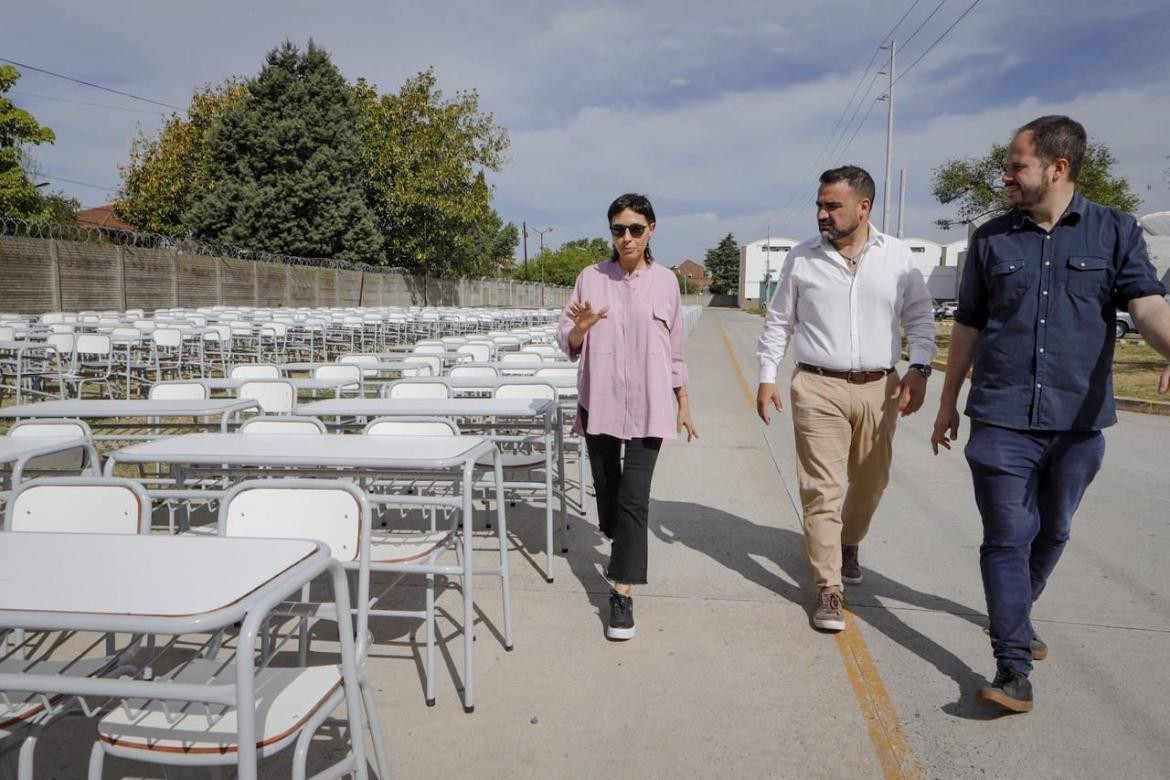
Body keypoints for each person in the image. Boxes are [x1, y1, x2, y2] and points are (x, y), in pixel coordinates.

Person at [930, 115, 1170, 713]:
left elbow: (1146, 307)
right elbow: (967, 325)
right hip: (1002, 416)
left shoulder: (1117, 232)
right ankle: (1011, 664)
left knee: (1053, 530)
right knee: (1007, 537)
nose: (1005, 176)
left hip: (1078, 423)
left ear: (1057, 168)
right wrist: (947, 401)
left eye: (1016, 165)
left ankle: (1020, 609)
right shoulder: (990, 239)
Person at [755, 165, 936, 632]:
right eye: (820, 204)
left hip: (881, 388)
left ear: (863, 207)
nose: (822, 214)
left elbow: (920, 319)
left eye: (832, 205)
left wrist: (918, 367)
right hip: (817, 386)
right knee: (822, 490)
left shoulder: (897, 256)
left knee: (871, 483)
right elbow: (779, 321)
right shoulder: (803, 258)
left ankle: (850, 541)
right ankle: (829, 589)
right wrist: (766, 376)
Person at [556, 192, 698, 641]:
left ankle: (621, 592)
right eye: (618, 229)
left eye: (636, 228)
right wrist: (578, 330)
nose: (627, 237)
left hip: (651, 406)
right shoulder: (590, 278)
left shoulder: (668, 283)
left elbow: (675, 350)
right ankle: (619, 538)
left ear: (651, 229)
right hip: (600, 402)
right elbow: (567, 339)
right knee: (609, 496)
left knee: (635, 498)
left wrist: (684, 402)